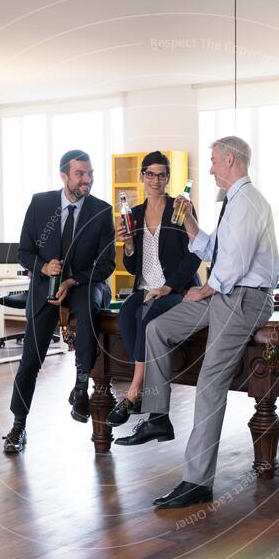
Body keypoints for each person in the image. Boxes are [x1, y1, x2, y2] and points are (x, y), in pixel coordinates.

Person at [115, 136, 279, 509]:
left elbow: (234, 265)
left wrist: (205, 290)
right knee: (158, 329)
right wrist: (188, 221)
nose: (209, 170)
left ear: (230, 160)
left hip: (244, 298)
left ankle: (197, 481)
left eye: (213, 162)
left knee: (210, 380)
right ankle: (158, 414)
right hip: (226, 293)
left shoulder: (248, 202)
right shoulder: (234, 203)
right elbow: (214, 250)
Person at [3, 149, 115, 453]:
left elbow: (106, 265)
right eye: (80, 174)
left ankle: (81, 387)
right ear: (64, 175)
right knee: (30, 361)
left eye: (90, 173)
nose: (87, 179)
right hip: (44, 287)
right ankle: (17, 426)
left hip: (84, 283)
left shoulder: (102, 211)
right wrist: (42, 267)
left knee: (89, 306)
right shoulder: (40, 204)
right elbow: (23, 251)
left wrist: (71, 279)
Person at [107, 151, 201, 425]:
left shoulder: (180, 208)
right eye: (150, 174)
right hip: (144, 288)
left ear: (168, 179)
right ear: (142, 177)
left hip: (176, 291)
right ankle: (143, 386)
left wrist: (169, 287)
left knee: (144, 315)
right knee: (126, 313)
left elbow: (195, 255)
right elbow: (133, 266)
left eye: (162, 175)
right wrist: (130, 245)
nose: (156, 180)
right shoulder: (134, 214)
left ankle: (133, 393)